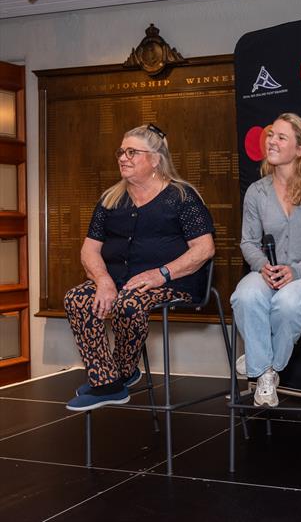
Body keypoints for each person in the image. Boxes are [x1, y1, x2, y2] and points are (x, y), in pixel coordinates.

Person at [64, 124, 216, 411]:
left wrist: (161, 274)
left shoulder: (181, 197)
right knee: (76, 299)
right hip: (118, 281)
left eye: (132, 152)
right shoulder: (110, 200)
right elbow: (89, 250)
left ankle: (120, 371)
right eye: (121, 151)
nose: (123, 157)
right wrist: (103, 281)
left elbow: (204, 249)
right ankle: (107, 382)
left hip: (173, 284)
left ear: (156, 159)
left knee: (129, 304)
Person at [231, 113, 301, 408]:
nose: (272, 141)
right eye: (270, 135)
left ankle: (262, 360)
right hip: (269, 271)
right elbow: (248, 242)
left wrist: (297, 270)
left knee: (288, 302)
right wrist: (261, 267)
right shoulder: (257, 191)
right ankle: (265, 372)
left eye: (281, 137)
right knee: (245, 294)